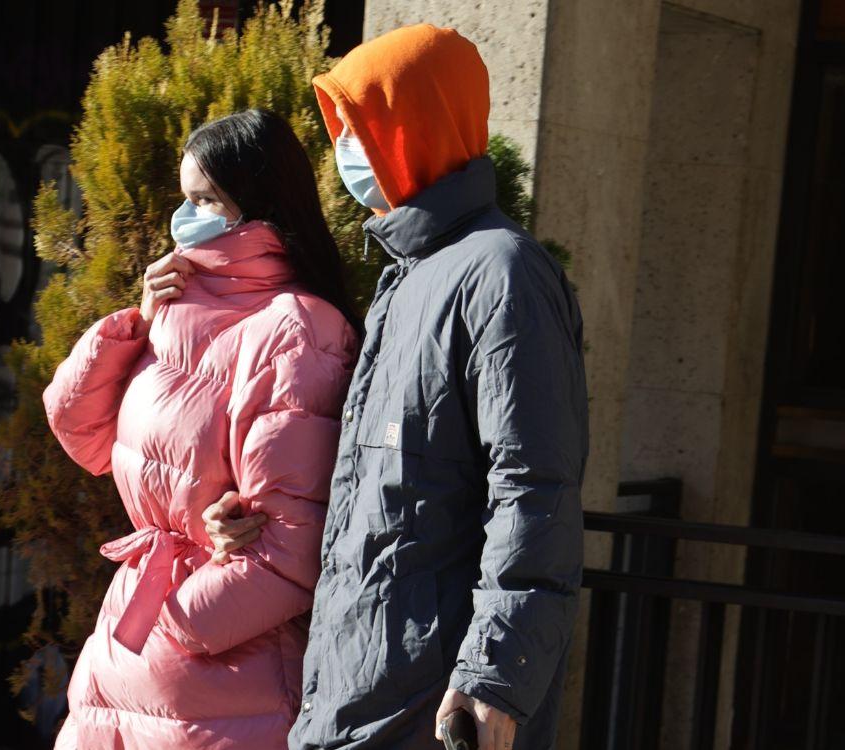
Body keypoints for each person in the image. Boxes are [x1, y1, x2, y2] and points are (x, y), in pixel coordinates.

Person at [204, 24, 590, 750]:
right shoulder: (406, 280)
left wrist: (495, 675)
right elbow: (376, 488)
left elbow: (535, 490)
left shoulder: (501, 274)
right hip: (353, 694)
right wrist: (257, 512)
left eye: (359, 128)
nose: (344, 150)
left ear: (411, 128)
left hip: (432, 708)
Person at [43, 108, 360, 749]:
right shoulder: (176, 304)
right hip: (127, 650)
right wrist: (136, 319)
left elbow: (292, 548)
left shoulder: (299, 329)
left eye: (205, 200)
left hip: (223, 684)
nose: (186, 218)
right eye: (182, 198)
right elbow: (84, 435)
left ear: (257, 202)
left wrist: (180, 622)